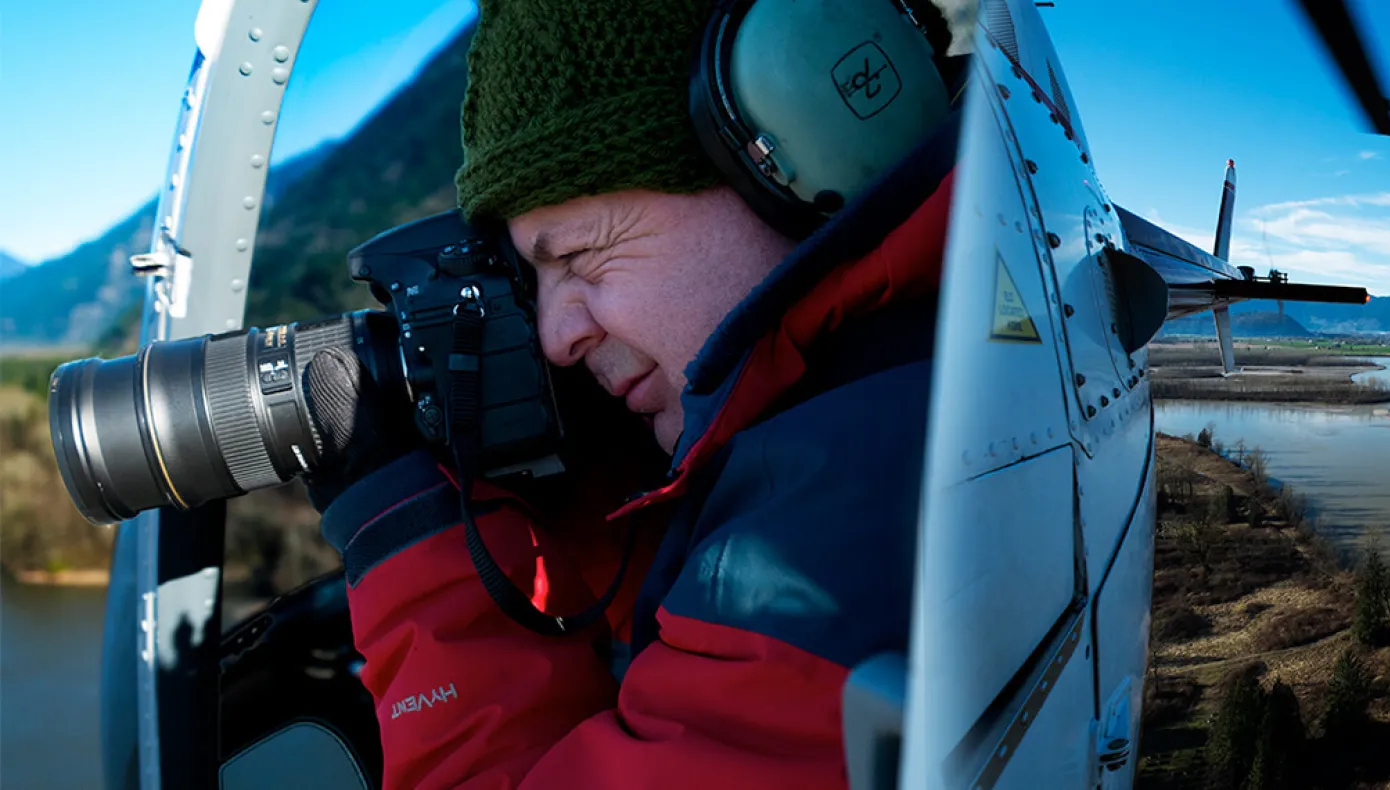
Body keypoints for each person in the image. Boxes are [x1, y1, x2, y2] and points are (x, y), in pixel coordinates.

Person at [304, 0, 967, 786]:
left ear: (799, 142)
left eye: (582, 257)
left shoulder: (817, 543)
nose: (557, 338)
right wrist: (592, 493)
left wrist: (407, 533)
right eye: (536, 282)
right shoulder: (920, 378)